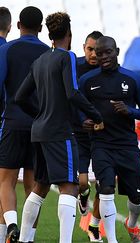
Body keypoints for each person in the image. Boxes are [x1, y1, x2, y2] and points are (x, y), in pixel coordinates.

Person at [14, 12, 103, 243]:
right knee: (70, 186)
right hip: (59, 132)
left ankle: (23, 240)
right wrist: (95, 114)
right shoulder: (67, 57)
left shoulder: (40, 60)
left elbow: (20, 97)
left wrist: (40, 114)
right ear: (69, 34)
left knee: (40, 186)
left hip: (39, 131)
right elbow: (72, 92)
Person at [79, 36, 140, 243]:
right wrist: (84, 121)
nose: (103, 57)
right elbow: (77, 108)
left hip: (127, 145)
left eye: (107, 52)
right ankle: (112, 239)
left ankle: (132, 224)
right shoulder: (88, 81)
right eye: (98, 53)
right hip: (101, 145)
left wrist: (129, 111)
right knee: (106, 189)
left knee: (137, 199)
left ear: (117, 51)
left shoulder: (133, 79)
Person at [0, 6, 49, 243]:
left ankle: (11, 225)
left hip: (11, 121)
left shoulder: (7, 49)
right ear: (41, 28)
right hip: (39, 126)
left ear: (18, 25)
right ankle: (28, 238)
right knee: (33, 187)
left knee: (5, 181)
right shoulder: (48, 53)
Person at [74, 30, 104, 242]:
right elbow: (68, 99)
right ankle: (83, 194)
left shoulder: (108, 69)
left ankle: (94, 226)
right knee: (83, 182)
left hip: (103, 137)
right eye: (90, 49)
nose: (94, 54)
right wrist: (79, 120)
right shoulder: (74, 66)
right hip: (80, 134)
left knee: (105, 185)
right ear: (83, 48)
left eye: (98, 50)